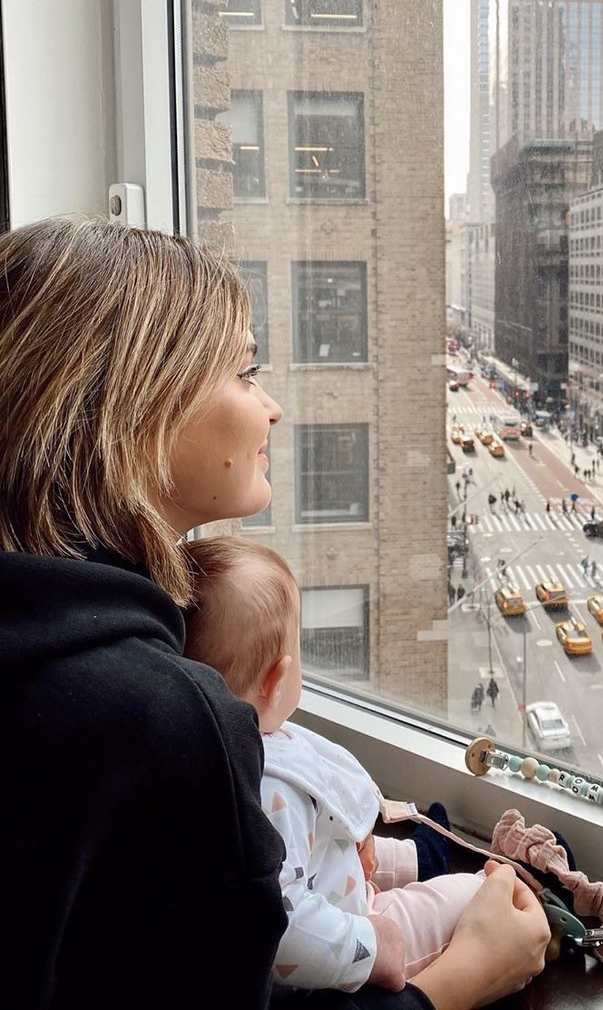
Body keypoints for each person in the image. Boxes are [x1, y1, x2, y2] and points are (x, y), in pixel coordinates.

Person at [0, 217, 549, 1010]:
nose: (273, 408)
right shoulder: (165, 721)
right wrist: (461, 981)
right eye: (245, 372)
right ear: (140, 407)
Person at [186, 536, 488, 991]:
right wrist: (372, 946)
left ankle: (420, 856)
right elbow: (285, 928)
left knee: (359, 844)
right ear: (277, 678)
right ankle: (484, 890)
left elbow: (318, 827)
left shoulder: (223, 744)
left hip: (334, 872)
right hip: (350, 926)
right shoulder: (267, 792)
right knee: (466, 897)